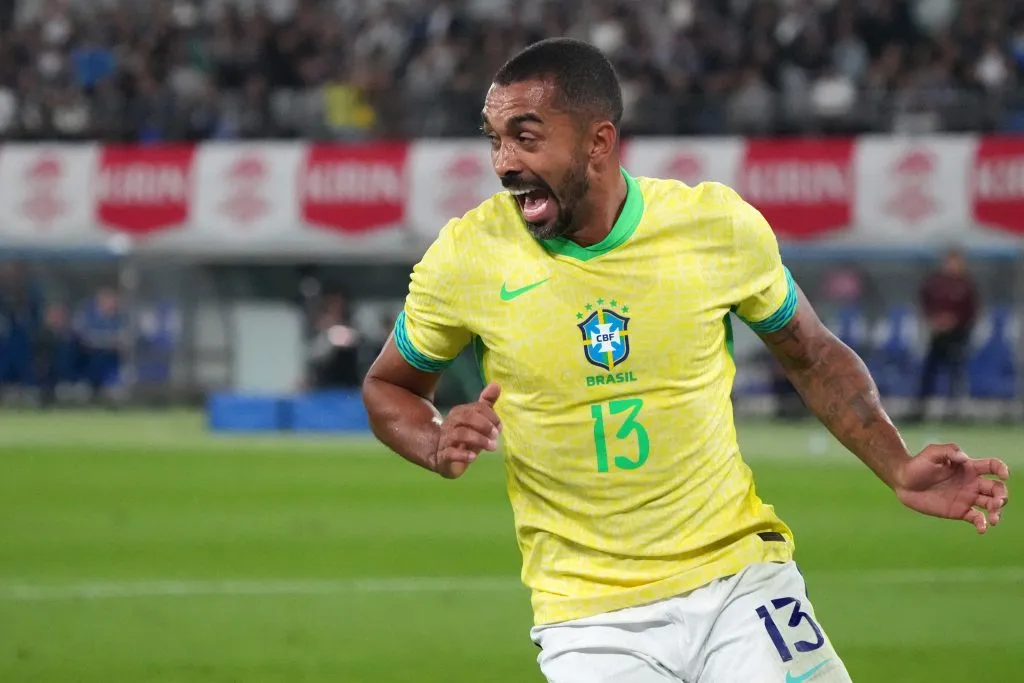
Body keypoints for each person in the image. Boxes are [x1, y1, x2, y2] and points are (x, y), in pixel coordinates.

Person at [361, 38, 1010, 683]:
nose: (503, 162)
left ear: (598, 141)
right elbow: (389, 386)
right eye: (494, 139)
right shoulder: (468, 255)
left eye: (525, 138)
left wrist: (896, 462)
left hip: (741, 580)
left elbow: (812, 355)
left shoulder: (713, 228)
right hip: (590, 619)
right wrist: (437, 439)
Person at [912, 248, 979, 422]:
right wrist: (934, 321)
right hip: (937, 336)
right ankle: (919, 411)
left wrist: (954, 322)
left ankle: (954, 412)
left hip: (957, 336)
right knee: (929, 373)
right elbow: (924, 303)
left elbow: (971, 311)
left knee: (955, 374)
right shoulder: (935, 283)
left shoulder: (966, 285)